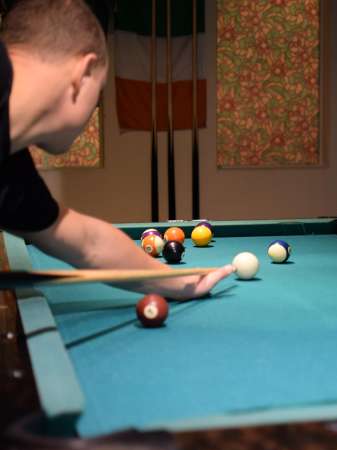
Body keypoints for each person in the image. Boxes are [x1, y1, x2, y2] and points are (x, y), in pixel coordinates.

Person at [0, 0, 234, 300]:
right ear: (84, 73)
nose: (95, 109)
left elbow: (89, 243)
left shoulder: (9, 174)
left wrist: (179, 283)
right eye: (99, 93)